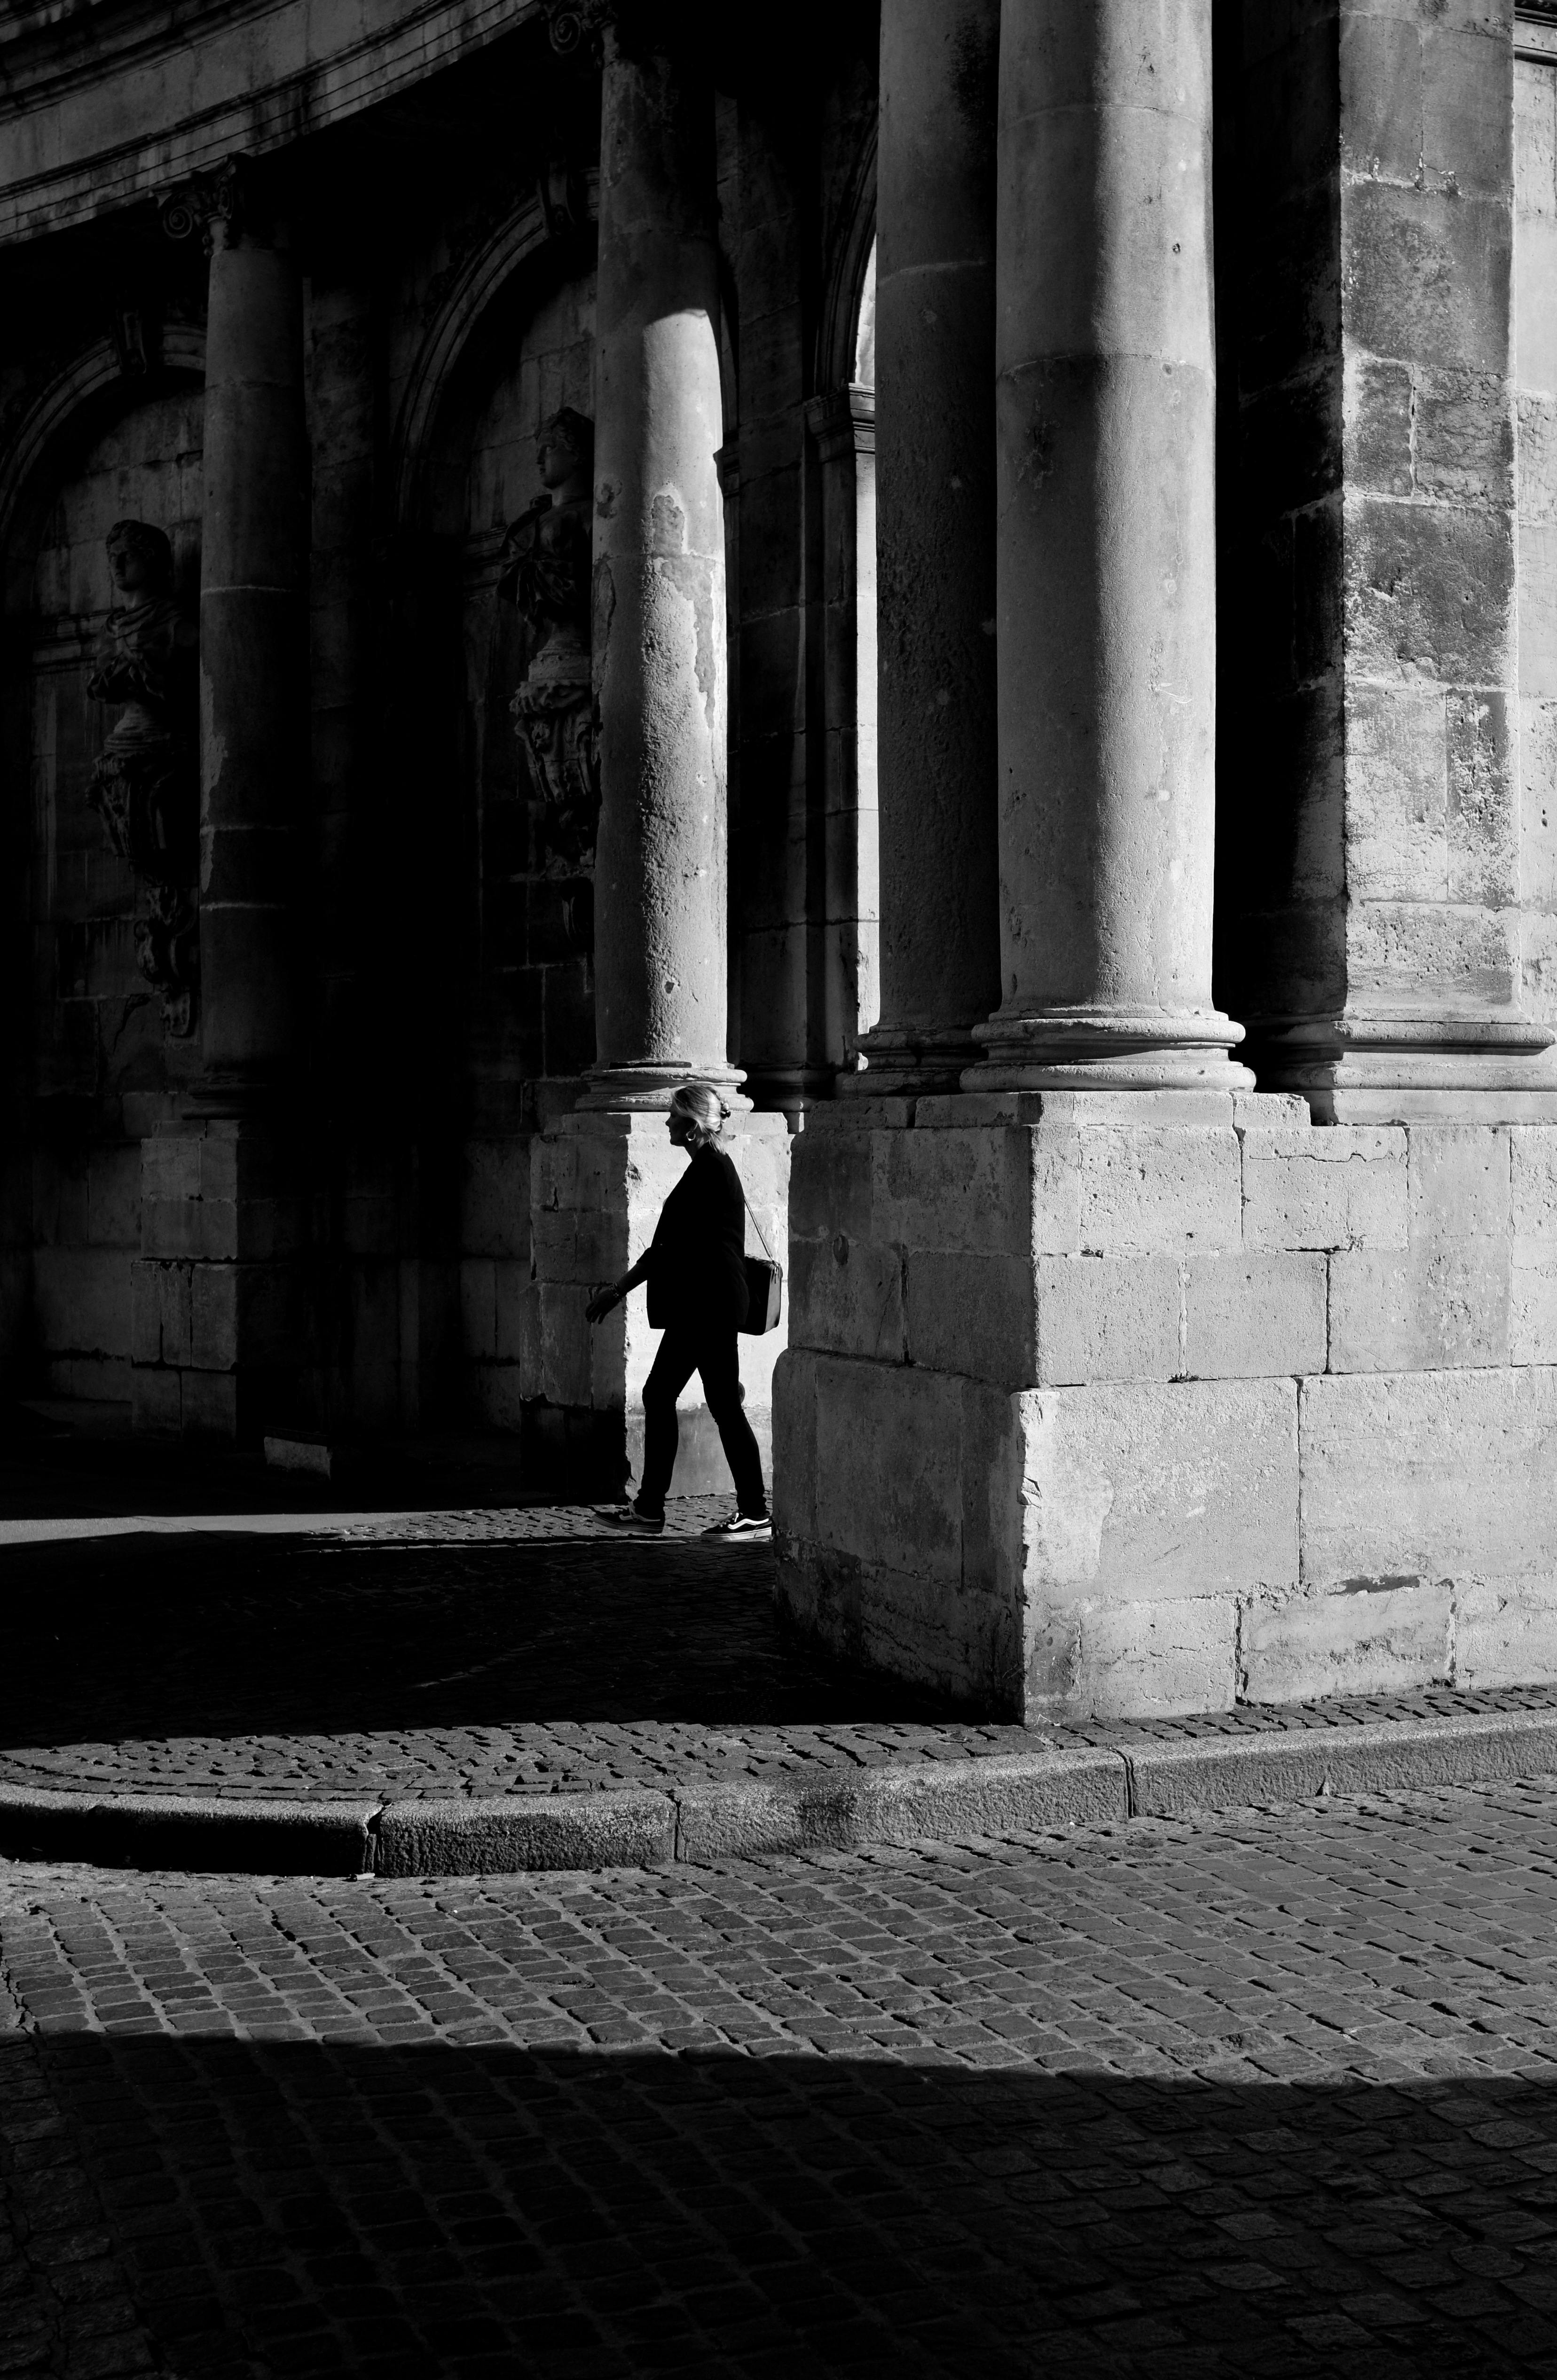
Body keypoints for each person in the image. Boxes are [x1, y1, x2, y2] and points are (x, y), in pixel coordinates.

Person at [586, 1081, 771, 1541]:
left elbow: (665, 1249)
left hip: (708, 1305)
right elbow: (670, 1247)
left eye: (673, 1116)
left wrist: (617, 1290)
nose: (666, 1122)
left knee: (704, 1402)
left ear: (690, 1128)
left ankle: (747, 1512)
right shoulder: (707, 1168)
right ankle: (657, 1508)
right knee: (685, 1398)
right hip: (705, 1303)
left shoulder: (710, 1171)